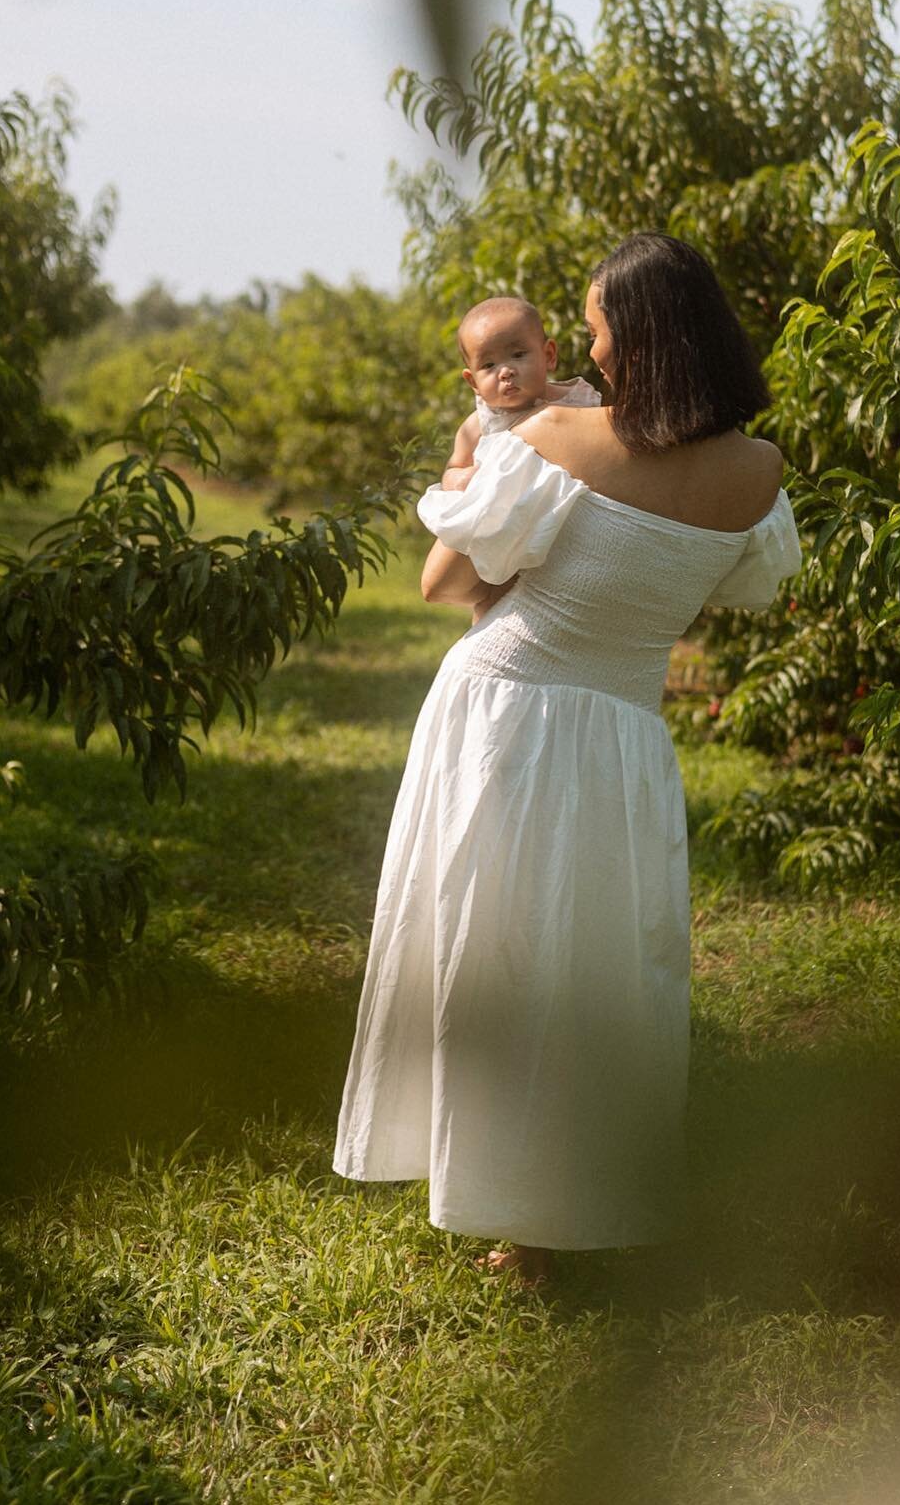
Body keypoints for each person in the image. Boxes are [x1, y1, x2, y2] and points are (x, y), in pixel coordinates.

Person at [332, 232, 800, 1289]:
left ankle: (512, 1215)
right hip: (624, 733)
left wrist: (481, 465)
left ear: (634, 341)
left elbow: (444, 582)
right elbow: (740, 587)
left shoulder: (555, 438)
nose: (585, 350)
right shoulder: (758, 474)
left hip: (507, 706)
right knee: (596, 964)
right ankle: (564, 1205)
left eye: (591, 332)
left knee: (498, 949)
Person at [441, 294, 601, 491]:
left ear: (549, 356)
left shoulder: (577, 399)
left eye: (518, 355)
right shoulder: (479, 426)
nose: (505, 372)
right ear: (473, 382)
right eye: (489, 365)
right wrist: (463, 479)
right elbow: (452, 471)